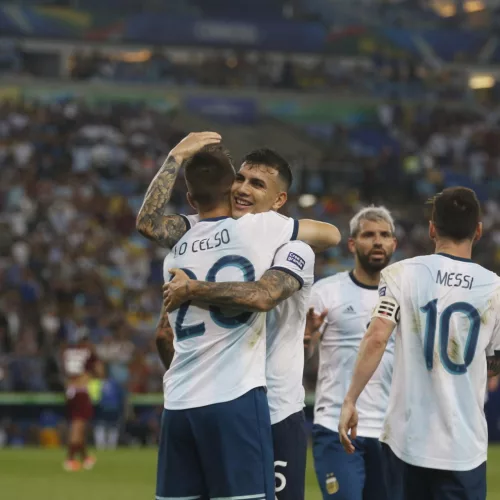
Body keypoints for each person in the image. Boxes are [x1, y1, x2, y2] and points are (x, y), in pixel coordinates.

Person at [152, 143, 337, 500]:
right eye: (239, 179)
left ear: (279, 201)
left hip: (274, 412)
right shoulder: (207, 233)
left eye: (256, 184)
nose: (243, 189)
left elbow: (165, 333)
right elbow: (162, 334)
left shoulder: (291, 246)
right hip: (235, 406)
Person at [338, 187, 500, 500]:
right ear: (478, 230)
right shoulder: (495, 288)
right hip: (464, 446)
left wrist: (350, 400)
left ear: (431, 228)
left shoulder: (400, 274)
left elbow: (376, 338)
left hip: (407, 441)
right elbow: (494, 361)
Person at [306, 206, 396, 500]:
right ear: (352, 244)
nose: (378, 241)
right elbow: (303, 356)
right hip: (336, 425)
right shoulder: (326, 292)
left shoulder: (407, 294)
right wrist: (306, 337)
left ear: (394, 243)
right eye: (369, 234)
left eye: (385, 235)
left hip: (392, 431)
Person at [61, 332, 103, 471]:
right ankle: (70, 459)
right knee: (77, 427)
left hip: (70, 392)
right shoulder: (88, 354)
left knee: (79, 427)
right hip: (81, 392)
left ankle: (85, 457)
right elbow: (100, 372)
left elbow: (65, 372)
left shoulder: (67, 353)